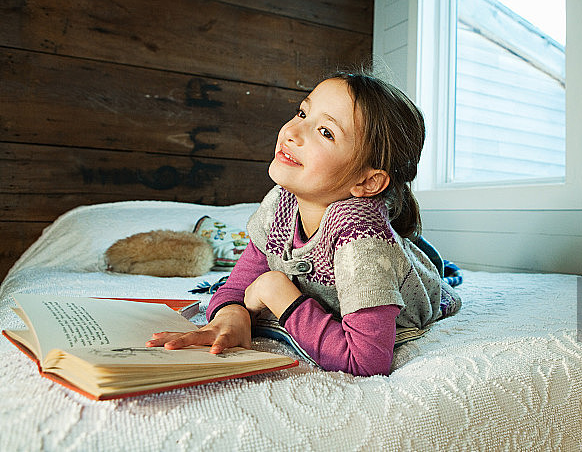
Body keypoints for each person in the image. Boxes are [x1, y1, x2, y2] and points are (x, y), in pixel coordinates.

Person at [148, 70, 461, 376]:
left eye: (325, 132)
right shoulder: (280, 202)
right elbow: (239, 284)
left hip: (407, 276)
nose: (291, 132)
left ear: (367, 181)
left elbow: (366, 361)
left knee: (417, 261)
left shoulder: (363, 245)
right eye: (302, 113)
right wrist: (232, 315)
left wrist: (278, 292)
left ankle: (415, 253)